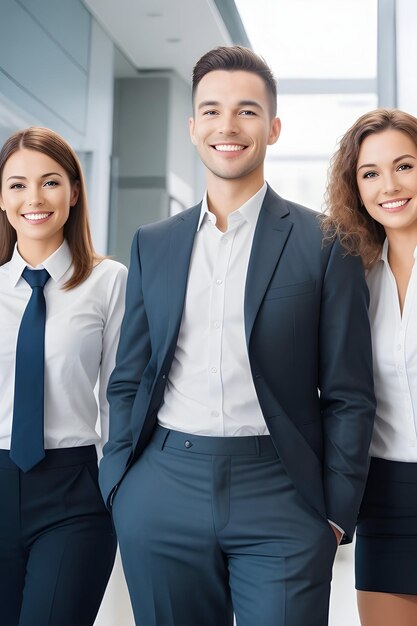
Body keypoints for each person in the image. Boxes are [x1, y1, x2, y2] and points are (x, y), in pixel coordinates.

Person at [100, 45, 375, 626]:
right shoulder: (155, 242)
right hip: (163, 486)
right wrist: (120, 487)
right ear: (193, 127)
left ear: (273, 128)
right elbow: (130, 376)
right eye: (213, 110)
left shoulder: (326, 242)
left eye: (247, 111)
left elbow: (350, 392)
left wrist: (333, 512)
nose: (228, 125)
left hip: (283, 492)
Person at [0, 126, 127, 626]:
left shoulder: (108, 281)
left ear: (74, 192)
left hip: (74, 491)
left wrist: (119, 489)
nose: (34, 198)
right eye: (17, 184)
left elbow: (122, 396)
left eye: (50, 182)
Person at [323, 108, 417, 626]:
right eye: (371, 173)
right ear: (355, 187)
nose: (390, 186)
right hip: (386, 496)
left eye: (405, 166)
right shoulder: (352, 280)